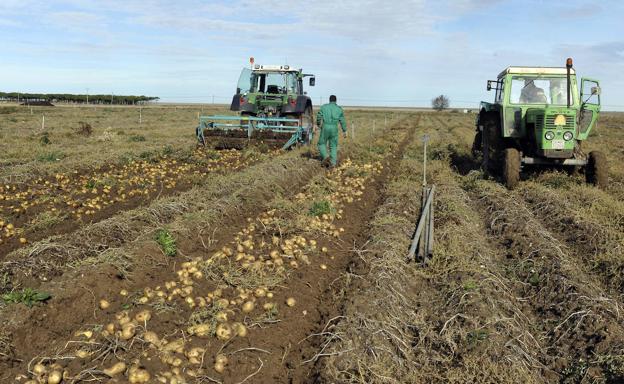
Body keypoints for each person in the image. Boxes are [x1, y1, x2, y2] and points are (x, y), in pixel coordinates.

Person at [316, 95, 347, 168]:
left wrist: (318, 124)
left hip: (325, 126)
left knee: (321, 143)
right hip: (334, 128)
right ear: (336, 101)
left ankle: (326, 157)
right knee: (333, 145)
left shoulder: (324, 107)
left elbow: (319, 116)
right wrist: (344, 130)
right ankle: (333, 163)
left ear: (329, 100)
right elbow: (342, 120)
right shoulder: (339, 109)